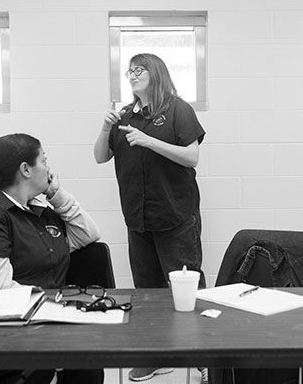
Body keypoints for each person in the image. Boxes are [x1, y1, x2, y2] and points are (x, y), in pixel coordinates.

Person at [0, 133, 103, 384]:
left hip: (43, 328)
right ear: (26, 169)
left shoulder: (39, 211)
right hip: (2, 340)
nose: (49, 168)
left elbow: (88, 234)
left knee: (88, 363)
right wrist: (58, 312)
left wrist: (57, 194)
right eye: (44, 160)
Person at [94, 53, 206, 383]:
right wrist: (104, 127)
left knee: (187, 290)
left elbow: (192, 157)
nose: (132, 75)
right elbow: (100, 156)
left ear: (155, 72)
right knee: (147, 291)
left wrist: (148, 141)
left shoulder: (177, 109)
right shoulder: (124, 115)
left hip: (175, 217)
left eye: (139, 69)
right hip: (138, 220)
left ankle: (205, 358)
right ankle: (157, 355)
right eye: (129, 71)